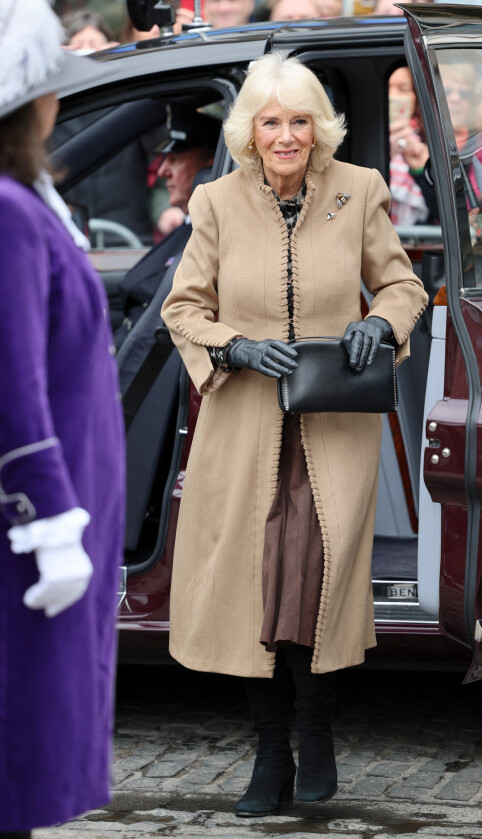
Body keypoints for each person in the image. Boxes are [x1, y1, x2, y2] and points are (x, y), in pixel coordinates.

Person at [161, 53, 427, 818]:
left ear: (320, 127)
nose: (286, 136)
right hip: (244, 427)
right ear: (250, 129)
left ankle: (316, 730)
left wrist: (382, 322)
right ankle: (269, 749)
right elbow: (183, 309)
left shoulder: (359, 189)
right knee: (255, 586)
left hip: (331, 427)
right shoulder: (214, 201)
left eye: (300, 121)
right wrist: (235, 345)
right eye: (272, 121)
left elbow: (403, 283)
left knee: (311, 583)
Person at [0, 0, 125, 836]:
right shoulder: (7, 211)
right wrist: (45, 515)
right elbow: (11, 381)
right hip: (33, 527)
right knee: (21, 731)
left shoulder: (25, 199)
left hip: (64, 505)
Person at [114, 104, 220, 348]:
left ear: (210, 167)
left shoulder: (209, 235)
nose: (162, 171)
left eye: (174, 159)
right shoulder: (188, 226)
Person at [388, 65, 436, 226]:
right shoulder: (359, 134)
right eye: (386, 87)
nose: (392, 95)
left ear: (416, 97)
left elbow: (440, 211)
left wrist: (422, 171)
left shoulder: (433, 139)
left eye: (403, 89)